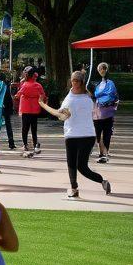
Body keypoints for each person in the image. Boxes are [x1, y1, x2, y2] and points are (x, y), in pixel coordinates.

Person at [39, 71, 113, 199]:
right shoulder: (88, 98)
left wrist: (42, 104)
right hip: (87, 136)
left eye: (74, 80)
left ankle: (76, 188)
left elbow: (59, 115)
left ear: (77, 82)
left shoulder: (70, 100)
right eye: (73, 80)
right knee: (81, 166)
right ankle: (99, 182)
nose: (73, 83)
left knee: (73, 164)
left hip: (74, 134)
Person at [12, 66, 45, 157]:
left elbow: (17, 95)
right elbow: (43, 95)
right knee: (34, 129)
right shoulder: (38, 85)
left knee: (25, 128)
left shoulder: (25, 85)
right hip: (35, 110)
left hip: (25, 109)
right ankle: (35, 145)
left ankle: (25, 145)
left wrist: (15, 96)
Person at [92, 62, 117, 163]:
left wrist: (99, 96)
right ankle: (101, 152)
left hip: (107, 112)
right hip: (97, 112)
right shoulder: (96, 84)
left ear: (107, 70)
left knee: (107, 134)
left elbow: (110, 94)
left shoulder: (110, 83)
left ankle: (104, 154)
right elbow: (94, 95)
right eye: (100, 69)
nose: (102, 70)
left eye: (104, 68)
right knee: (98, 133)